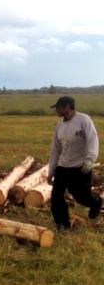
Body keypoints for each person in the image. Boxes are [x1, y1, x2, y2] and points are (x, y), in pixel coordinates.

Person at [47, 95, 102, 231]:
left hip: (80, 167)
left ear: (67, 107)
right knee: (56, 197)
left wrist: (90, 160)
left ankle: (96, 202)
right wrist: (51, 170)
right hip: (63, 167)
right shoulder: (60, 125)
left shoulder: (84, 120)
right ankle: (62, 224)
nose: (56, 111)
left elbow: (92, 140)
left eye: (58, 108)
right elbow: (56, 148)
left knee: (82, 197)